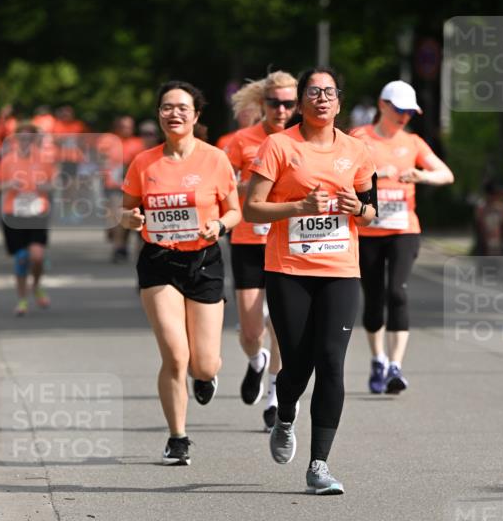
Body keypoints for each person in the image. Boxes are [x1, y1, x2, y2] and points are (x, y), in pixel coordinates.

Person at [244, 67, 376, 495]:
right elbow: (252, 209)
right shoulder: (279, 146)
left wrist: (358, 208)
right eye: (313, 92)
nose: (322, 98)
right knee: (298, 364)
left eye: (329, 92)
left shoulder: (356, 150)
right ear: (301, 102)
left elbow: (371, 211)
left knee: (332, 361)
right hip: (290, 270)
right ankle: (285, 416)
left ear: (339, 102)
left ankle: (319, 465)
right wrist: (300, 207)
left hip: (340, 270)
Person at [121, 81, 241, 466]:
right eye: (167, 107)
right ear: (159, 114)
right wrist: (130, 219)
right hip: (159, 260)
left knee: (203, 363)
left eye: (182, 108)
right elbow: (125, 211)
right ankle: (178, 437)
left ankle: (205, 377)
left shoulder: (215, 159)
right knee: (175, 355)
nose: (174, 113)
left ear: (196, 115)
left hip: (204, 260)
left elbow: (235, 211)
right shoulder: (143, 163)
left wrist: (219, 226)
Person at [351, 80, 454, 393]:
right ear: (382, 105)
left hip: (404, 229)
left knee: (397, 292)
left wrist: (422, 175)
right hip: (368, 231)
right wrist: (373, 176)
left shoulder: (413, 142)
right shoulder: (359, 138)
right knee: (374, 298)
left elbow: (446, 174)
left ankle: (395, 367)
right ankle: (378, 359)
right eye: (400, 110)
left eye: (410, 112)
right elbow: (338, 176)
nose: (405, 117)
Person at [226, 71, 298, 431]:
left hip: (287, 242)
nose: (281, 110)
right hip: (249, 241)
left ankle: (274, 397)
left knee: (282, 326)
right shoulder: (242, 141)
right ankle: (257, 361)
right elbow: (223, 185)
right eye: (274, 103)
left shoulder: (302, 141)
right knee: (253, 331)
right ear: (262, 103)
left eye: (289, 103)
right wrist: (249, 185)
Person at [0, 124, 56, 315]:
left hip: (37, 212)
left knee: (37, 256)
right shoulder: (7, 160)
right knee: (21, 258)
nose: (25, 142)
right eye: (22, 138)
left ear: (35, 140)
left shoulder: (44, 159)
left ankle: (35, 285)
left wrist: (44, 186)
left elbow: (54, 184)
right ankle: (22, 300)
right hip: (14, 214)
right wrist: (9, 184)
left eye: (29, 138)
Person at [98, 116, 145, 262]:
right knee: (115, 215)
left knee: (124, 215)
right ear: (117, 127)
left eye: (130, 127)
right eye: (124, 126)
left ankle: (120, 247)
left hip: (131, 185)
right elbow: (100, 159)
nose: (127, 129)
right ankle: (118, 244)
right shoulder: (108, 140)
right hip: (112, 184)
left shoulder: (137, 143)